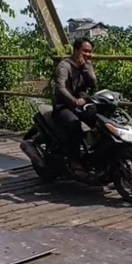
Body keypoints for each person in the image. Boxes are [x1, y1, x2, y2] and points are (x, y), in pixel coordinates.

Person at [52, 37, 96, 171]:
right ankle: (74, 160)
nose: (87, 54)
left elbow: (93, 83)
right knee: (74, 125)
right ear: (76, 50)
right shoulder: (65, 65)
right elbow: (60, 87)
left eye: (90, 52)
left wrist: (84, 68)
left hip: (82, 104)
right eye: (84, 51)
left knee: (100, 120)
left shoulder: (87, 65)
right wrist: (73, 100)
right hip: (64, 106)